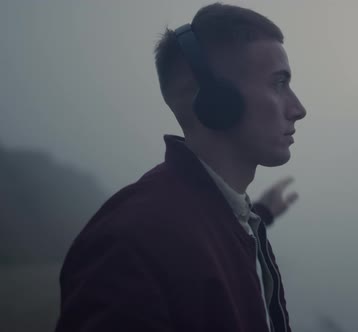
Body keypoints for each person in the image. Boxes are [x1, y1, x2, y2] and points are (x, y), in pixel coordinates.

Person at [54, 3, 306, 332]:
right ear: (216, 99)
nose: (298, 109)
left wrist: (262, 213)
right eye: (277, 83)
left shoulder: (226, 219)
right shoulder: (130, 245)